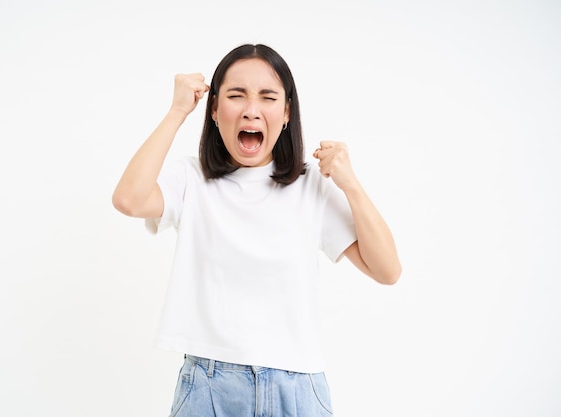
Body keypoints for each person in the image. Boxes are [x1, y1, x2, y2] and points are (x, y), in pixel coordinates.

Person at [112, 43, 401, 417]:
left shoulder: (310, 184)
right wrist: (177, 111)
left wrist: (351, 185)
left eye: (267, 97)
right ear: (214, 109)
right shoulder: (191, 178)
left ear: (286, 113)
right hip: (208, 386)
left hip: (297, 388)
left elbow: (387, 270)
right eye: (236, 95)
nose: (251, 109)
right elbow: (128, 200)